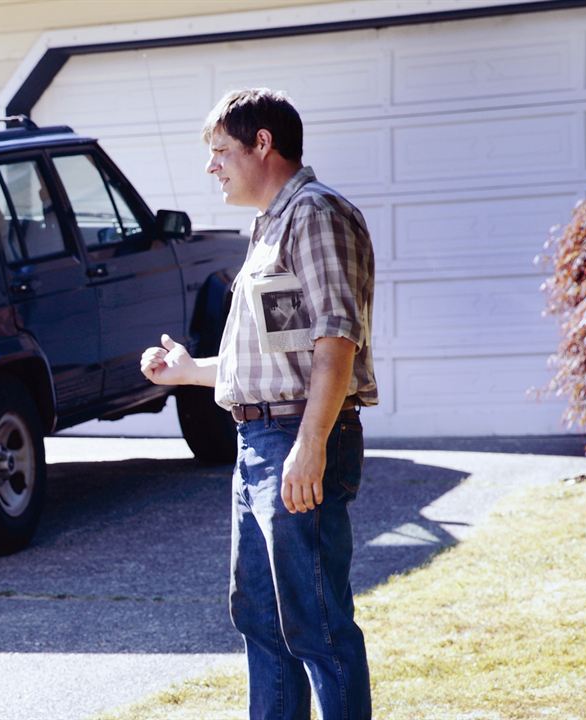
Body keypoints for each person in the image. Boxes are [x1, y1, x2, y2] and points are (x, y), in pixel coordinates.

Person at [140, 88, 376, 719]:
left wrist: (310, 446)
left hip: (298, 440)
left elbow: (336, 341)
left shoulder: (317, 215)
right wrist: (189, 371)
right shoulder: (271, 223)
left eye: (220, 151)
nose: (211, 166)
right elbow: (277, 359)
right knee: (262, 623)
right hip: (261, 444)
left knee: (317, 625)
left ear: (262, 143)